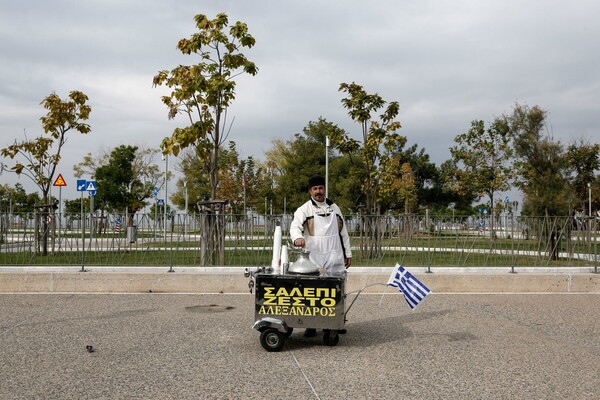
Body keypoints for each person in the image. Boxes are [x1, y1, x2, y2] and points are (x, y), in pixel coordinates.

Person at [289, 175, 352, 276]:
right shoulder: (304, 210)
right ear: (310, 191)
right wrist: (297, 238)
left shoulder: (334, 208)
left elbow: (343, 233)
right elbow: (295, 227)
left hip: (334, 257)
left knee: (335, 288)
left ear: (324, 189)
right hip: (313, 258)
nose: (318, 191)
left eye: (320, 188)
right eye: (315, 189)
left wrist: (348, 254)